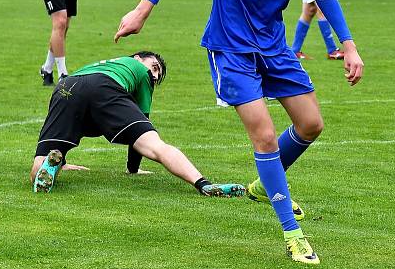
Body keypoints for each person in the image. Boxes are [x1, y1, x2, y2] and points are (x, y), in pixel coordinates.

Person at [114, 0, 364, 265]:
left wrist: (349, 43)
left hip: (275, 47)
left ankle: (266, 184)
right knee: (264, 136)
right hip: (231, 49)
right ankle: (293, 233)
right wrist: (143, 9)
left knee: (311, 124)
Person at [31, 51, 245, 198]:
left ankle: (52, 164)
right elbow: (141, 129)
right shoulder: (139, 71)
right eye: (153, 67)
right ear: (137, 58)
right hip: (105, 86)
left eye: (157, 74)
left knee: (40, 162)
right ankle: (204, 185)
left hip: (66, 87)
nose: (154, 74)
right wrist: (133, 169)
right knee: (155, 144)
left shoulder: (105, 64)